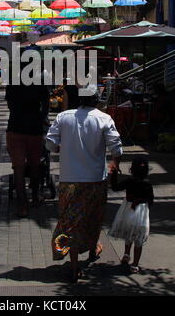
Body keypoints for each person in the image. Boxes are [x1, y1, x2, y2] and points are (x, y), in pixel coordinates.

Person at [46, 85, 122, 283]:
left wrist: (59, 149)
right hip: (96, 179)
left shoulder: (64, 117)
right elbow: (117, 147)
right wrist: (115, 164)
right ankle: (91, 251)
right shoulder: (104, 118)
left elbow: (49, 143)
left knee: (71, 222)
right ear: (97, 100)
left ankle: (73, 265)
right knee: (93, 217)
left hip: (69, 179)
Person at [6, 77, 50, 218]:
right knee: (35, 165)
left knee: (18, 169)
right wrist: (40, 118)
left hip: (15, 127)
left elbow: (10, 105)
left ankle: (22, 206)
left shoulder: (12, 82)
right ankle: (35, 198)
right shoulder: (40, 82)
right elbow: (46, 105)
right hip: (34, 129)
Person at [108, 158, 154, 274]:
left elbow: (115, 187)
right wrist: (140, 200)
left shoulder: (129, 181)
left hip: (127, 209)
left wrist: (113, 174)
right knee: (138, 237)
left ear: (132, 169)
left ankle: (126, 254)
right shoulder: (147, 184)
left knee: (129, 232)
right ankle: (135, 264)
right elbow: (151, 200)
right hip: (141, 212)